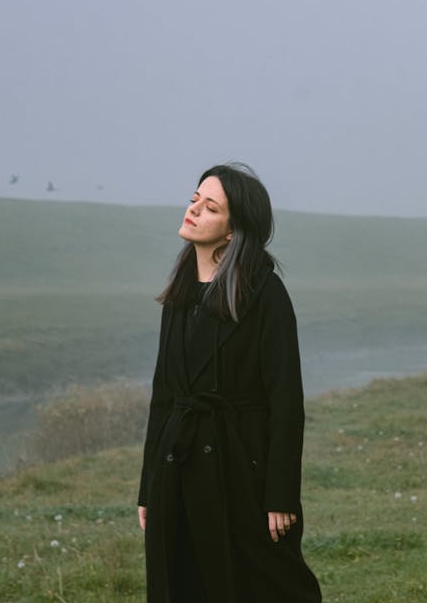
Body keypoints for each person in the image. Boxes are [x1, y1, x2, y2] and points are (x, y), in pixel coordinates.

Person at [138, 163, 322, 603]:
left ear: (232, 230)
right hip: (176, 466)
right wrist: (149, 487)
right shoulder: (179, 293)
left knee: (266, 585)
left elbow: (285, 401)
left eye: (211, 207)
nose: (194, 210)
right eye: (194, 199)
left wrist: (280, 495)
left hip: (242, 469)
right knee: (180, 583)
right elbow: (163, 398)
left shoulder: (265, 293)